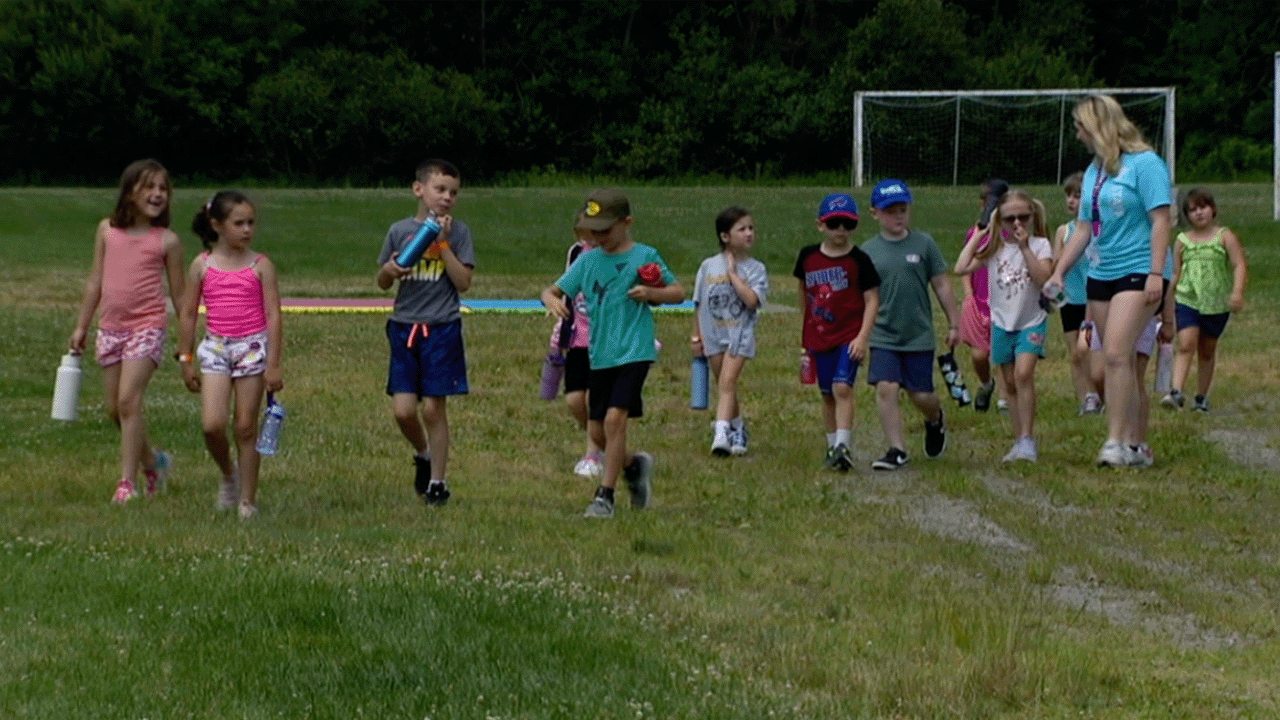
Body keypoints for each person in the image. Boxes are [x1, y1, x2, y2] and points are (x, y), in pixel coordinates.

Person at [1045, 94, 1172, 468]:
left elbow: (1162, 221)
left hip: (1138, 270)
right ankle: (1136, 444)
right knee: (1124, 362)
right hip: (1101, 272)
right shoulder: (1094, 171)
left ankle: (1115, 441)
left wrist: (1155, 273)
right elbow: (1083, 229)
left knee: (1115, 353)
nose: (1078, 134)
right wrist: (1059, 271)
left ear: (1099, 125)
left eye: (1081, 126)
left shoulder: (1146, 164)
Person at [541, 189, 685, 519]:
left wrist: (652, 292)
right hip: (599, 354)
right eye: (593, 231)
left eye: (605, 230)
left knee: (614, 420)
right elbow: (553, 289)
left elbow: (676, 292)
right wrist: (550, 299)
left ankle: (605, 496)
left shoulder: (644, 257)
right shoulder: (588, 261)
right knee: (596, 433)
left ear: (627, 223)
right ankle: (634, 466)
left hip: (634, 350)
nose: (598, 237)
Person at [68, 159, 185, 504]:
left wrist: (187, 338)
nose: (157, 194)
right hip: (111, 328)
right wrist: (81, 326)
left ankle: (126, 483)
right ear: (129, 192)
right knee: (114, 410)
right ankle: (154, 462)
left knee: (128, 401)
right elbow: (94, 282)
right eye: (149, 187)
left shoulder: (166, 241)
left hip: (147, 327)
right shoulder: (107, 230)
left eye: (163, 188)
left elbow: (179, 295)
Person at [176, 191, 283, 518]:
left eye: (251, 222)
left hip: (251, 348)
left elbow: (274, 315)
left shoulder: (261, 266)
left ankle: (247, 501)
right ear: (217, 225)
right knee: (212, 425)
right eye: (239, 223)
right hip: (216, 348)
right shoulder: (202, 265)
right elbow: (189, 313)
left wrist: (274, 364)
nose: (248, 229)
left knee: (245, 426)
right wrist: (186, 356)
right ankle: (228, 473)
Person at [376, 158, 475, 505]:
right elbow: (383, 282)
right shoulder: (399, 231)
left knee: (434, 408)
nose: (447, 197)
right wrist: (391, 269)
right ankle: (423, 453)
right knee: (403, 410)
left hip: (442, 326)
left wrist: (444, 244)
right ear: (419, 189)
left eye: (453, 192)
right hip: (405, 326)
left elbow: (463, 282)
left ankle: (438, 483)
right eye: (440, 189)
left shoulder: (458, 233)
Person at [861, 179, 960, 470]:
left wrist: (955, 323)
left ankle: (935, 419)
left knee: (920, 394)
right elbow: (864, 296)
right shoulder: (868, 251)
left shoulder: (923, 244)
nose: (898, 216)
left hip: (917, 335)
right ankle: (896, 449)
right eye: (890, 211)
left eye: (903, 210)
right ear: (875, 214)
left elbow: (941, 284)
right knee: (886, 387)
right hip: (883, 333)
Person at [955, 189, 1053, 462]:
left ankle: (1028, 438)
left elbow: (1043, 278)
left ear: (1032, 217)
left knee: (1023, 375)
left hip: (1031, 321)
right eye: (1010, 219)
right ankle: (1018, 437)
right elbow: (961, 267)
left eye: (1023, 217)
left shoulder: (1040, 245)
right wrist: (980, 234)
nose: (1017, 224)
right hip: (1002, 323)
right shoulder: (994, 249)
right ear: (1001, 220)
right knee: (1008, 382)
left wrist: (1024, 248)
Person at [792, 194, 880, 470]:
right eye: (834, 224)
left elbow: (872, 299)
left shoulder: (859, 260)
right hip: (819, 336)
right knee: (827, 393)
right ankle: (832, 446)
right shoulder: (808, 256)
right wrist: (805, 332)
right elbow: (803, 292)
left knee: (843, 387)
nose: (840, 230)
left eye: (847, 224)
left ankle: (844, 444)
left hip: (848, 336)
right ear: (821, 225)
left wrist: (862, 337)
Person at [1162, 188, 1248, 412]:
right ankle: (1176, 392)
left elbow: (1238, 264)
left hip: (1216, 302)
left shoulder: (1224, 236)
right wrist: (1168, 297)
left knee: (1207, 349)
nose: (1198, 213)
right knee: (1186, 343)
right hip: (1188, 299)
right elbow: (1176, 272)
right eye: (1192, 210)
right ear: (1186, 215)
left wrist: (1237, 292)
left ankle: (1201, 397)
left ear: (1213, 210)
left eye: (1203, 207)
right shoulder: (1182, 240)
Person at [693, 206, 769, 457]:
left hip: (740, 334)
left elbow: (751, 301)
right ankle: (738, 427)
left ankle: (721, 434)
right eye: (742, 229)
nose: (749, 233)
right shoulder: (707, 266)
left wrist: (734, 275)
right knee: (724, 384)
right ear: (726, 236)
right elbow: (699, 303)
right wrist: (696, 336)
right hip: (713, 333)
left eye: (751, 228)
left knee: (727, 382)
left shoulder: (756, 269)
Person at [552, 215, 605, 476]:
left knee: (595, 399)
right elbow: (566, 289)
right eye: (583, 236)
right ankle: (606, 441)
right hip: (578, 338)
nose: (588, 241)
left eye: (593, 236)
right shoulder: (576, 253)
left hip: (606, 340)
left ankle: (593, 455)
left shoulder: (614, 255)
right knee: (575, 399)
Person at [1051, 171, 1103, 415]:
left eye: (1077, 196)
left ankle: (1099, 393)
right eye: (1068, 196)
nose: (1071, 201)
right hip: (1070, 300)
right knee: (1075, 353)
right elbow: (1056, 263)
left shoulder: (1097, 229)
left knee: (1089, 350)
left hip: (1092, 300)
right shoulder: (1064, 231)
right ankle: (1086, 398)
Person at [957, 178, 1008, 413]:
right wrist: (968, 295)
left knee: (1002, 352)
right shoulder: (975, 234)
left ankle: (1005, 398)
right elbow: (965, 266)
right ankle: (987, 384)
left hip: (1004, 303)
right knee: (979, 355)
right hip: (980, 302)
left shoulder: (1010, 233)